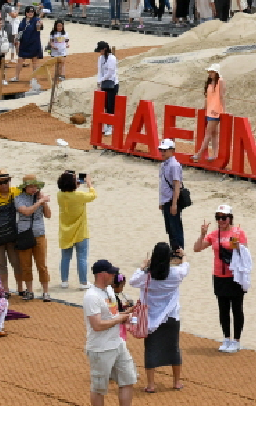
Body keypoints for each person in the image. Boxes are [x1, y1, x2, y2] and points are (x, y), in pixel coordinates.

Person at [128, 242, 188, 393]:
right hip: (171, 316)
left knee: (151, 349)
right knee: (174, 348)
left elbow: (132, 281)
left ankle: (151, 385)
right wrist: (184, 256)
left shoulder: (146, 275)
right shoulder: (175, 274)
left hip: (150, 318)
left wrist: (143, 266)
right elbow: (185, 268)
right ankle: (177, 382)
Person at [193, 204, 249, 353]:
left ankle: (236, 341)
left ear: (230, 218)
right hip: (219, 275)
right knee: (223, 309)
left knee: (237, 308)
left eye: (224, 218)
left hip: (235, 276)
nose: (221, 221)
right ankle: (226, 339)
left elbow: (245, 254)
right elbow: (197, 248)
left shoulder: (238, 232)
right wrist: (202, 234)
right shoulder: (213, 234)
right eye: (218, 218)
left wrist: (237, 246)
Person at [84, 258, 137, 405]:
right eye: (111, 273)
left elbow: (113, 315)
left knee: (128, 380)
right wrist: (120, 319)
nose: (114, 275)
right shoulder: (91, 297)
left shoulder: (109, 291)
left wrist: (126, 315)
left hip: (118, 344)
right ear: (102, 274)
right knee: (99, 388)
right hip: (101, 349)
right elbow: (97, 325)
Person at [13, 174, 53, 301]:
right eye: (31, 186)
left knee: (42, 265)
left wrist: (44, 203)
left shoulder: (39, 197)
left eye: (35, 186)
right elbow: (26, 211)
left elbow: (48, 215)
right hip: (24, 233)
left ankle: (45, 291)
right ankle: (29, 291)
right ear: (25, 187)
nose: (34, 189)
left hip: (39, 234)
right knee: (26, 265)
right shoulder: (18, 198)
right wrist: (39, 202)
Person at [56, 171, 96, 289]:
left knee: (65, 257)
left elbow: (67, 192)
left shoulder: (59, 195)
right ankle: (83, 282)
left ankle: (64, 281)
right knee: (82, 257)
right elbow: (93, 195)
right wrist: (89, 184)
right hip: (80, 232)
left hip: (65, 232)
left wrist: (73, 185)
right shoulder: (79, 196)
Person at [158, 139, 185, 250]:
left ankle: (179, 251)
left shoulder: (174, 165)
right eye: (161, 150)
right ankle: (174, 250)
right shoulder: (164, 164)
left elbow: (177, 185)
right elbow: (163, 185)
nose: (162, 152)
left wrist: (174, 204)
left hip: (171, 201)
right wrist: (161, 202)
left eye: (165, 150)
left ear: (172, 150)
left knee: (175, 228)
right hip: (166, 201)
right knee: (170, 228)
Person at [198, 64, 226, 162]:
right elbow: (207, 97)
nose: (210, 73)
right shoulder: (210, 82)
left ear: (216, 72)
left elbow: (221, 96)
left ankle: (200, 153)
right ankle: (214, 154)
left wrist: (223, 110)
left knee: (208, 133)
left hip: (216, 110)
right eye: (209, 72)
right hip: (209, 110)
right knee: (214, 134)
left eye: (212, 72)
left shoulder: (220, 81)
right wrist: (204, 107)